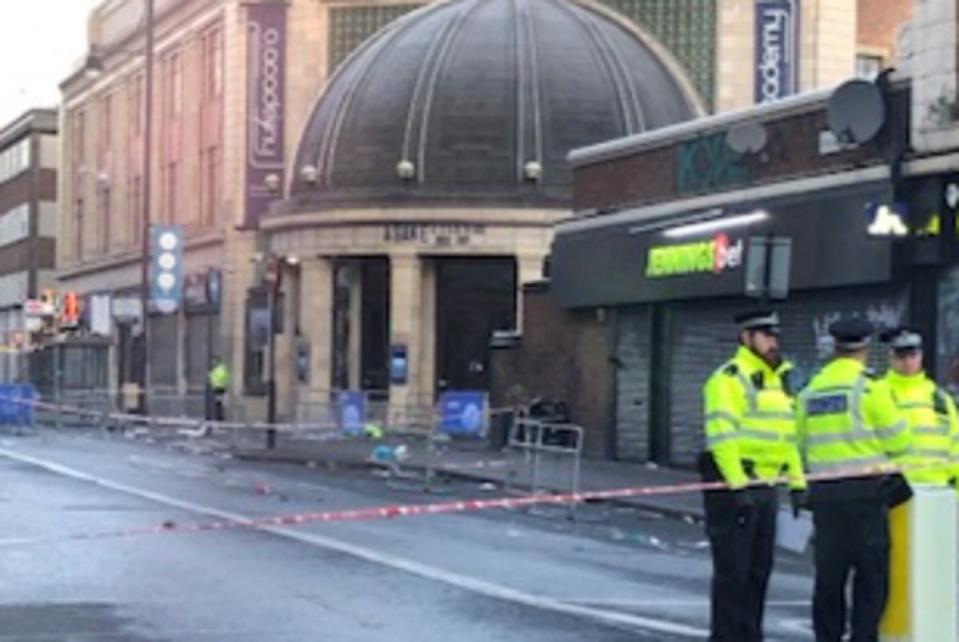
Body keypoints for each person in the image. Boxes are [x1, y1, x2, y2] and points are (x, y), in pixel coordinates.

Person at [796, 317, 911, 642]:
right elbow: (901, 442)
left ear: (835, 348)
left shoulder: (811, 390)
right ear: (864, 349)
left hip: (825, 500)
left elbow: (799, 443)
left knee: (829, 581)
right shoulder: (869, 388)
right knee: (871, 581)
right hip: (866, 498)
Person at [700, 310, 806, 642]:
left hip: (767, 486)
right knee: (734, 573)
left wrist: (797, 483)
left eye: (775, 335)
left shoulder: (780, 381)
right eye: (765, 335)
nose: (773, 342)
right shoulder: (729, 379)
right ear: (746, 338)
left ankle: (750, 635)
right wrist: (738, 486)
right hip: (735, 487)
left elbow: (787, 437)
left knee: (759, 572)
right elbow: (722, 436)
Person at [880, 326, 959, 487]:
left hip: (938, 489)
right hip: (894, 492)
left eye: (912, 355)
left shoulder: (939, 397)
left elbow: (956, 445)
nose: (908, 362)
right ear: (891, 357)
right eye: (901, 356)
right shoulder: (878, 393)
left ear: (921, 356)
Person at [207, 357, 230, 421]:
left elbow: (217, 377)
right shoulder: (221, 368)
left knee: (218, 403)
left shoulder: (219, 369)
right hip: (220, 388)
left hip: (218, 388)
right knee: (219, 403)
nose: (213, 363)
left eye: (214, 361)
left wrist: (211, 374)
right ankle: (219, 416)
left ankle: (219, 417)